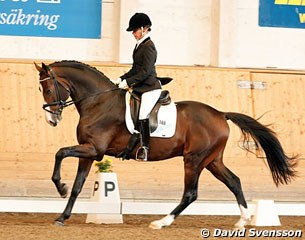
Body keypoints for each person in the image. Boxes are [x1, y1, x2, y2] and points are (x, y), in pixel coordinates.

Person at [114, 13, 162, 161]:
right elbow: (135, 69)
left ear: (144, 28)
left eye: (135, 30)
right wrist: (121, 78)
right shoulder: (139, 45)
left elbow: (145, 72)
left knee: (143, 114)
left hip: (149, 88)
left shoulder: (149, 47)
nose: (133, 34)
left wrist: (128, 83)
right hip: (140, 87)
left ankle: (145, 148)